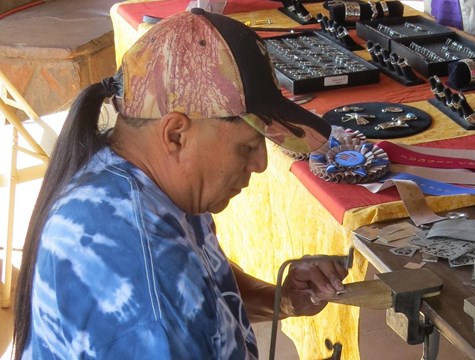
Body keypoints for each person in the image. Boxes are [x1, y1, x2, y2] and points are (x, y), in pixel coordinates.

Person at [12, 8, 348, 359]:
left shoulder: (137, 178)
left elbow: (202, 289)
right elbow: (171, 296)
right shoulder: (150, 290)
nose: (260, 164)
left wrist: (282, 299)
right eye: (247, 146)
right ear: (175, 134)